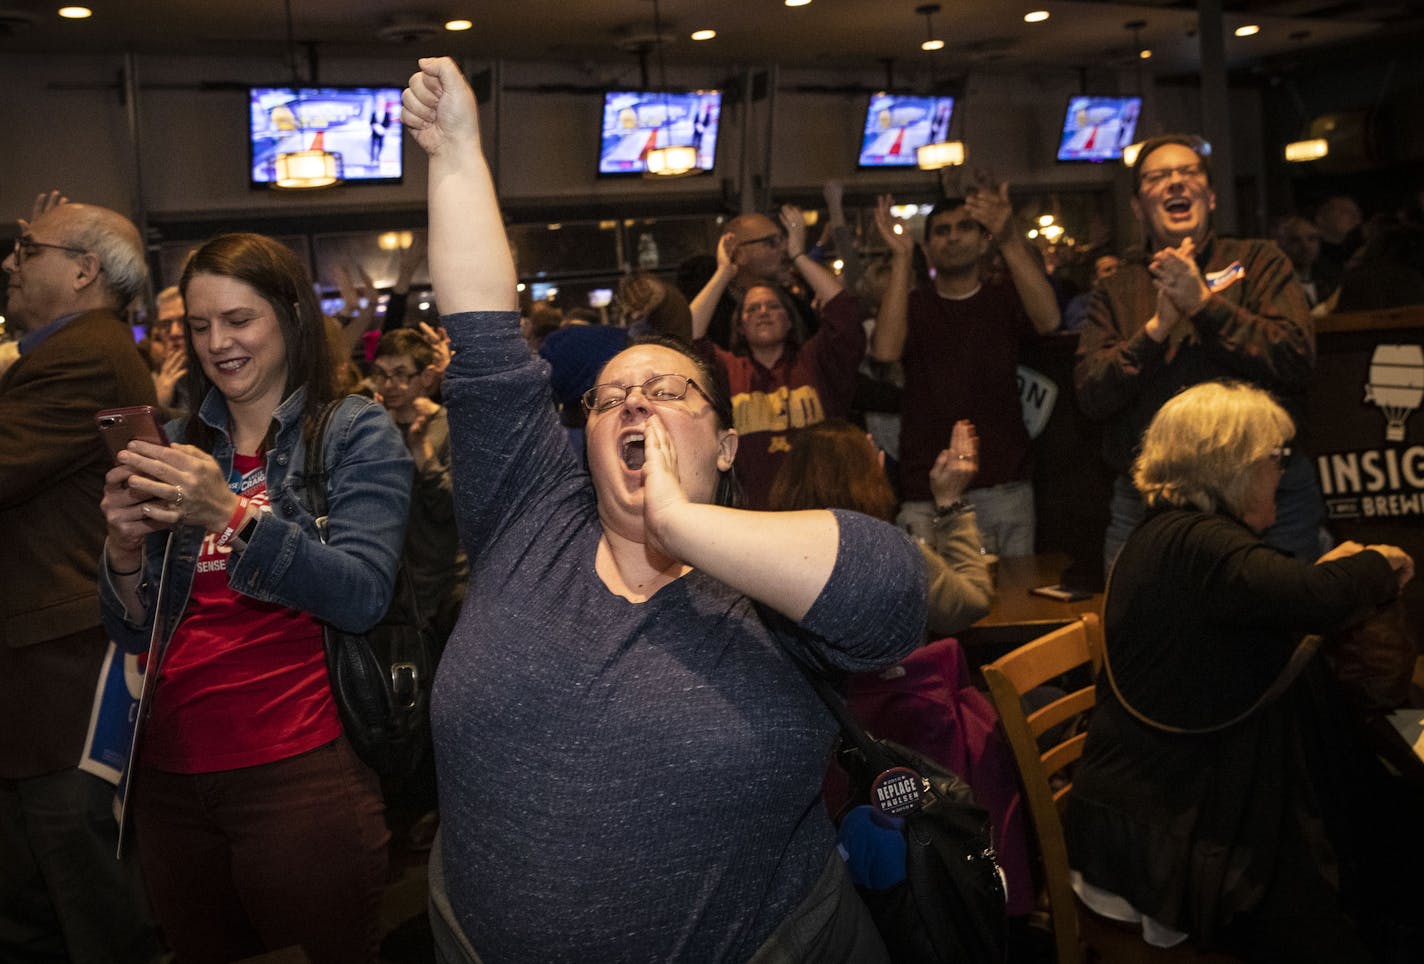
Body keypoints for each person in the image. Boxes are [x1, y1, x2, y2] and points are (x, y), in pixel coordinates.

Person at [402, 56, 928, 963]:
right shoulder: (531, 516)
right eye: (610, 399)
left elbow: (891, 597)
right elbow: (485, 331)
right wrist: (454, 150)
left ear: (726, 448)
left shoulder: (768, 576)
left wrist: (679, 526)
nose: (635, 402)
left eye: (671, 392)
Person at [97, 232, 413, 964]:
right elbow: (135, 631)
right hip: (170, 781)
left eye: (238, 320)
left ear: (291, 317)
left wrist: (234, 516)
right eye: (199, 325)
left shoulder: (351, 431)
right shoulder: (181, 444)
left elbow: (362, 594)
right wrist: (119, 553)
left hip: (299, 773)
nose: (217, 343)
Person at [1062, 380, 1417, 963]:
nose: (1282, 471)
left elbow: (1289, 591)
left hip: (1167, 795)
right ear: (1232, 466)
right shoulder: (1200, 544)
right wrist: (1384, 560)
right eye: (1275, 458)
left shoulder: (1179, 537)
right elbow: (1317, 597)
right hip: (1162, 829)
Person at [0, 193, 163, 963]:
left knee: (82, 882)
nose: (9, 261)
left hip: (63, 666)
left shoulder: (83, 355)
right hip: (46, 660)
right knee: (46, 882)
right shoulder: (72, 350)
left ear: (83, 271)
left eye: (27, 249)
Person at [1074, 134, 1321, 572]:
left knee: (1275, 632)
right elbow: (1092, 393)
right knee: (1143, 633)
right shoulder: (1118, 288)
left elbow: (1295, 358)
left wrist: (1204, 306)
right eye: (1158, 177)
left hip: (1262, 490)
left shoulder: (1259, 261)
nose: (1175, 183)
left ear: (1209, 196)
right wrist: (1155, 330)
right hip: (1150, 500)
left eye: (1187, 173)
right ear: (1137, 206)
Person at [871, 184, 1061, 555]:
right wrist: (901, 256)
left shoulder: (1004, 296)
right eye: (941, 231)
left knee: (1014, 602)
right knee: (930, 607)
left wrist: (1008, 237)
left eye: (965, 227)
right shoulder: (915, 304)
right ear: (928, 246)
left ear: (982, 241)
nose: (953, 237)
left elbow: (1050, 320)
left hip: (1003, 483)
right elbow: (885, 350)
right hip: (926, 486)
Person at [689, 205, 869, 508]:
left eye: (773, 307)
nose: (763, 313)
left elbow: (844, 309)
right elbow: (687, 337)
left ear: (789, 320)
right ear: (741, 326)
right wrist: (723, 272)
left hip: (821, 510)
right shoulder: (729, 370)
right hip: (753, 516)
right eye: (752, 309)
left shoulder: (814, 362)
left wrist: (799, 255)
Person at [768, 418, 991, 637]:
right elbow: (972, 603)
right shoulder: (891, 555)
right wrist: (951, 502)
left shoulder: (769, 556)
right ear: (877, 469)